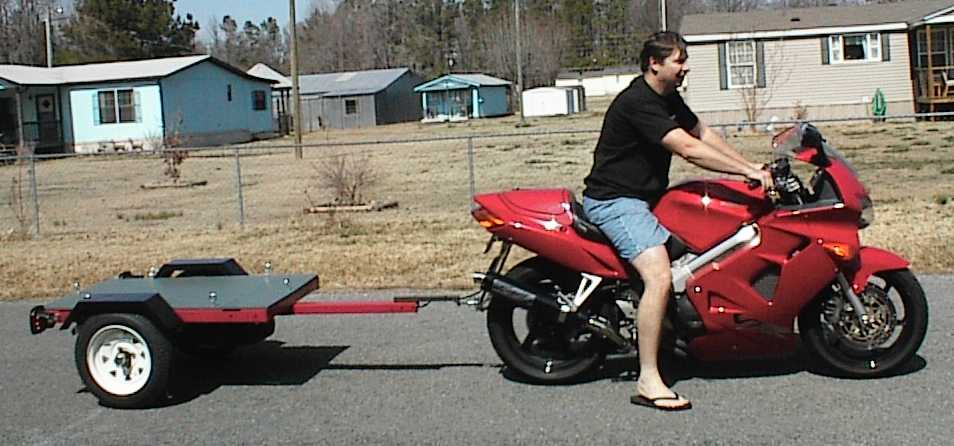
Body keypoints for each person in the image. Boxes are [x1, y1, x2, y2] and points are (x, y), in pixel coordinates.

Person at [581, 31, 772, 411]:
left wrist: (750, 166)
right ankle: (649, 379)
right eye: (679, 60)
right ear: (655, 64)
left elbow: (701, 133)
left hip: (645, 199)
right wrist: (743, 172)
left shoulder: (667, 98)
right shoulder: (638, 101)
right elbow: (687, 148)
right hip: (617, 201)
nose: (686, 68)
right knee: (659, 275)